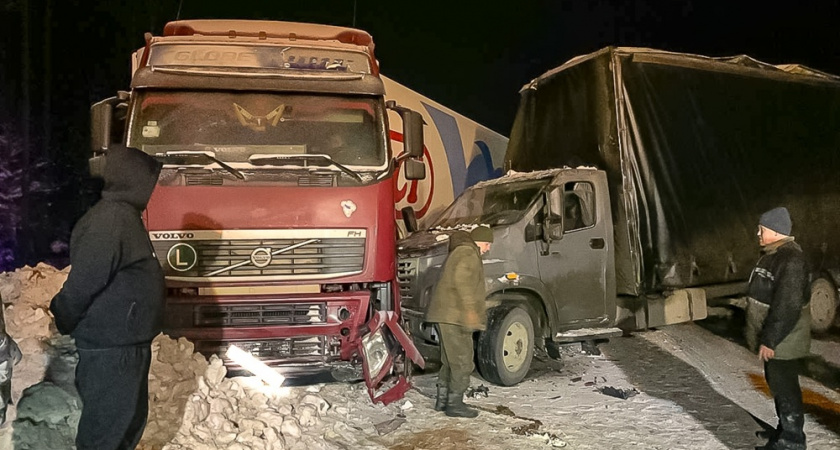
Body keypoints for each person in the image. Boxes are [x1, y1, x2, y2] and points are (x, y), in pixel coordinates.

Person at [50, 144, 164, 450]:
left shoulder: (124, 217)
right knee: (105, 432)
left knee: (126, 425)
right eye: (149, 182)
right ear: (133, 180)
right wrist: (62, 314)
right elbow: (84, 282)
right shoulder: (110, 221)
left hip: (125, 345)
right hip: (111, 347)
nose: (152, 190)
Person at [746, 206, 810, 450]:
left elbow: (787, 306)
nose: (758, 234)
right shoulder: (775, 253)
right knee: (778, 383)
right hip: (779, 336)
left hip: (784, 338)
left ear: (775, 231)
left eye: (762, 229)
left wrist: (770, 339)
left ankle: (792, 440)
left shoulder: (791, 259)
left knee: (785, 386)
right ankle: (785, 430)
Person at [425, 225, 493, 418]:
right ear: (479, 241)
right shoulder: (468, 253)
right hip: (455, 316)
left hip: (446, 315)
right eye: (487, 244)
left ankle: (442, 401)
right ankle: (455, 405)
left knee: (449, 360)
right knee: (463, 360)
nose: (488, 249)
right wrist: (471, 310)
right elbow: (462, 281)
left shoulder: (459, 252)